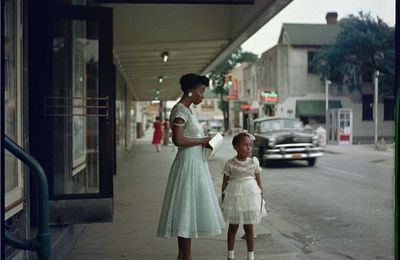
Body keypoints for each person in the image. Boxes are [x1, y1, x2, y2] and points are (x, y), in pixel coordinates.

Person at [157, 73, 225, 260]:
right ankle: (186, 256)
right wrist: (203, 139)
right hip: (188, 164)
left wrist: (205, 142)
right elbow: (177, 140)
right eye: (201, 91)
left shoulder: (187, 110)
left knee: (187, 208)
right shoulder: (180, 110)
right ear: (190, 91)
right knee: (186, 208)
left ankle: (183, 255)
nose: (202, 96)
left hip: (195, 162)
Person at [221, 132, 267, 260]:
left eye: (250, 145)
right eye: (245, 145)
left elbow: (259, 183)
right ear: (236, 147)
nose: (248, 148)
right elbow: (224, 184)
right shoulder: (230, 163)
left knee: (249, 227)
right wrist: (224, 201)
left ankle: (250, 256)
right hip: (234, 197)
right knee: (233, 226)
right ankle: (230, 255)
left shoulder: (254, 162)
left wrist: (260, 198)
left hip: (250, 197)